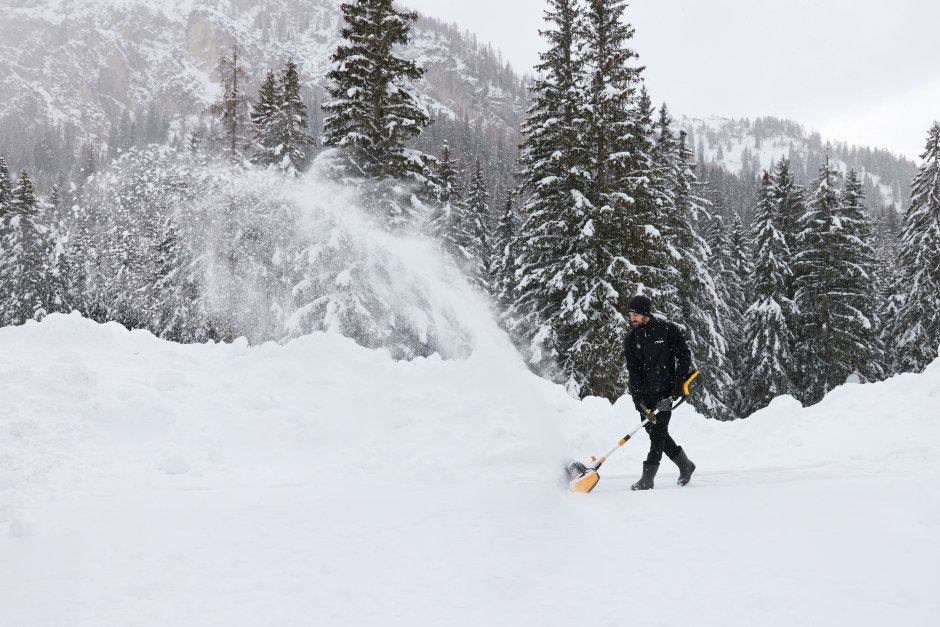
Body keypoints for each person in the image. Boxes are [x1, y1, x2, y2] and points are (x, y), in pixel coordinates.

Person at [623, 295, 696, 490]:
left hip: (665, 391)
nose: (633, 318)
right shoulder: (631, 339)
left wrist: (674, 389)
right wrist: (637, 399)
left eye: (636, 314)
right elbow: (633, 371)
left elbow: (684, 356)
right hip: (644, 393)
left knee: (658, 434)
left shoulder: (667, 330)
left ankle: (648, 478)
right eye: (631, 314)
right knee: (653, 431)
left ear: (646, 314)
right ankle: (685, 465)